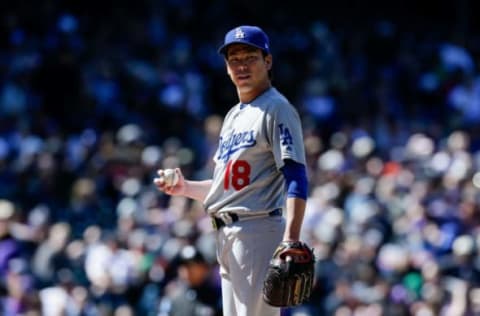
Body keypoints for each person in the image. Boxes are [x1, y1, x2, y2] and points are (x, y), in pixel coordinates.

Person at [154, 25, 308, 316]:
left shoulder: (277, 109)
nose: (241, 65)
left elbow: (296, 178)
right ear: (226, 68)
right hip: (226, 233)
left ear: (268, 61)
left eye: (249, 56)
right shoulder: (232, 116)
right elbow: (226, 188)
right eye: (234, 59)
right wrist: (184, 187)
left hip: (257, 229)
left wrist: (291, 239)